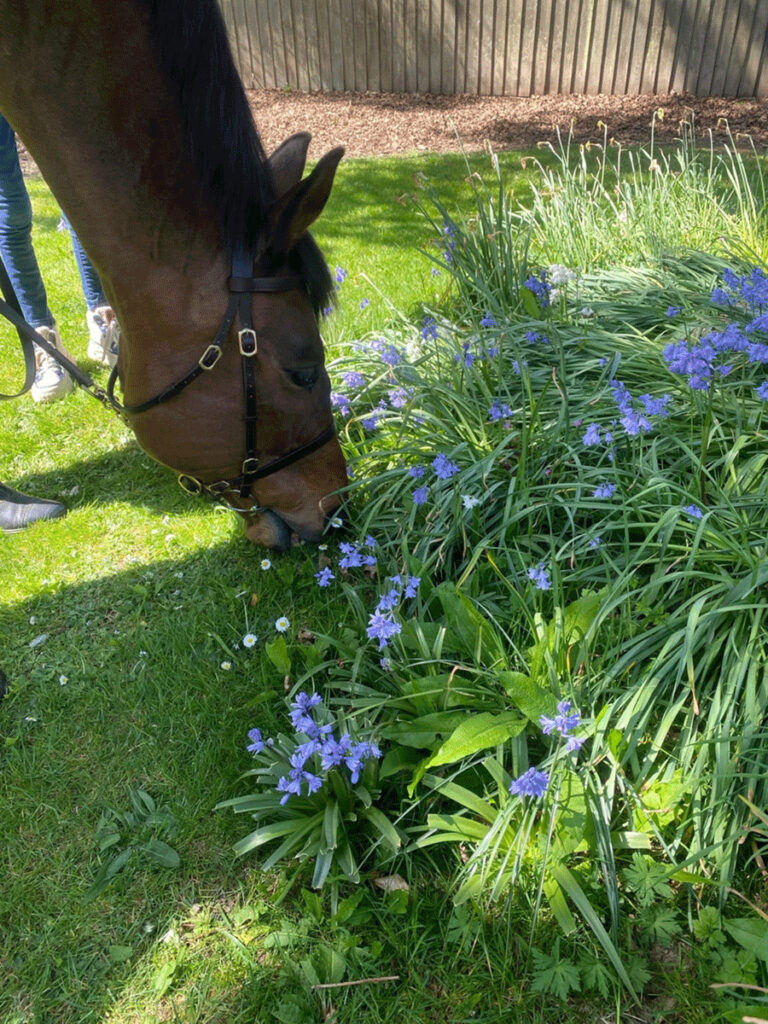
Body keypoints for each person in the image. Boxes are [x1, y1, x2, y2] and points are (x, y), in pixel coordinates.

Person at [0, 113, 120, 405]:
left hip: (37, 69)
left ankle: (103, 323)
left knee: (77, 189)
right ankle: (44, 340)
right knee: (10, 207)